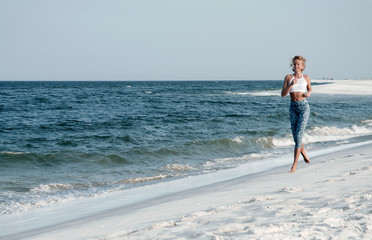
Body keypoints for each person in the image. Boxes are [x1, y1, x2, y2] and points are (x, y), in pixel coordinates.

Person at [281, 55, 312, 173]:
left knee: (298, 135)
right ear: (292, 66)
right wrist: (290, 85)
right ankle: (303, 151)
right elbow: (283, 94)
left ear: (302, 66)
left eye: (298, 64)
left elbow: (310, 89)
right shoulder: (288, 77)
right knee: (296, 137)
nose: (296, 66)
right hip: (293, 108)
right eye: (294, 64)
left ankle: (294, 165)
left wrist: (308, 93)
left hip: (304, 107)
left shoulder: (306, 77)